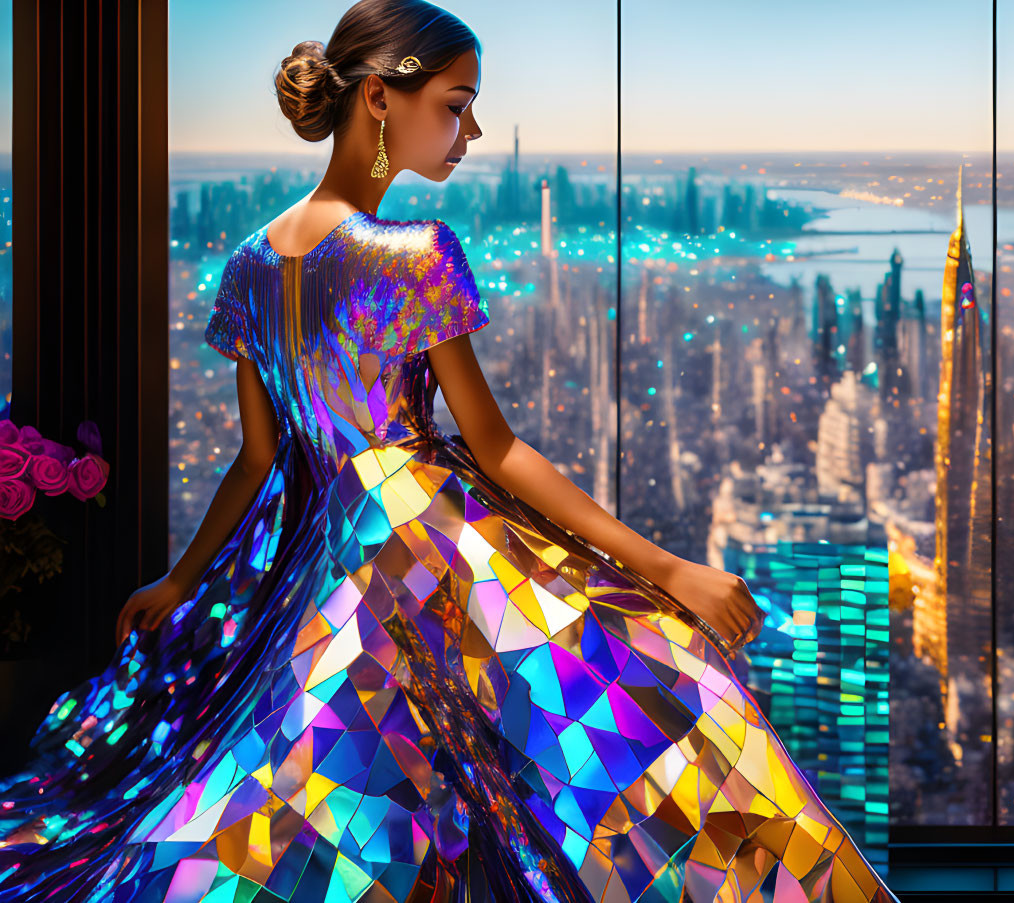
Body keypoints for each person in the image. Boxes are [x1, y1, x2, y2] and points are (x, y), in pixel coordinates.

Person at [0, 1, 901, 900]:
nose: (469, 131)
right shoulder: (414, 252)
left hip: (318, 567)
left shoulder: (247, 262)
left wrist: (182, 580)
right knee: (646, 715)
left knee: (344, 808)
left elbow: (258, 460)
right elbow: (497, 448)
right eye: (456, 103)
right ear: (381, 98)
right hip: (433, 542)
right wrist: (666, 567)